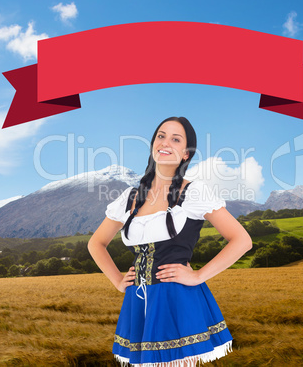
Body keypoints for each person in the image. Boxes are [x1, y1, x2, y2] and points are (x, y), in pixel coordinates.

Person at [88, 116, 253, 367]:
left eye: (176, 139)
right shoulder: (130, 196)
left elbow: (242, 240)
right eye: (161, 136)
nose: (165, 143)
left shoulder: (194, 192)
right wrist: (118, 281)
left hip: (177, 298)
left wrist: (198, 276)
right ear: (153, 143)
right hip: (137, 300)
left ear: (186, 154)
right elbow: (96, 243)